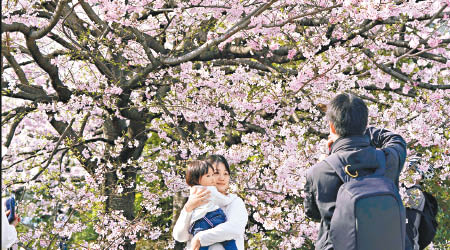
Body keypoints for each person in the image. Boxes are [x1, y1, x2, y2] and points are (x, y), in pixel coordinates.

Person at [303, 93, 408, 250]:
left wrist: (327, 159)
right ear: (364, 125)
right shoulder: (387, 160)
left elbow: (313, 213)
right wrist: (366, 132)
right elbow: (396, 139)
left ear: (332, 126)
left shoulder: (318, 171)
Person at [173, 155, 248, 250]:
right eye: (215, 173)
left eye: (226, 173)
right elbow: (180, 236)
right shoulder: (196, 200)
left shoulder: (234, 201)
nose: (222, 178)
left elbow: (234, 229)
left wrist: (200, 238)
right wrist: (188, 208)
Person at [184, 160, 237, 250]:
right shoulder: (209, 189)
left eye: (213, 175)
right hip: (213, 218)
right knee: (229, 241)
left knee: (201, 246)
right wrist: (232, 197)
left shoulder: (192, 191)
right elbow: (223, 200)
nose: (212, 178)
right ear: (196, 179)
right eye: (208, 176)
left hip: (198, 224)